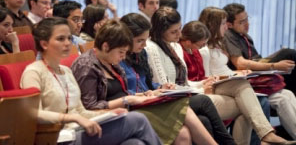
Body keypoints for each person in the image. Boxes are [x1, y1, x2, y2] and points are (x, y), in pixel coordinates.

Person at [145, 6, 296, 145]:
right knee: (248, 106)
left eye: (179, 28)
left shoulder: (176, 46)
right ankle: (265, 134)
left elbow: (186, 82)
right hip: (180, 99)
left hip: (191, 91)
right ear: (160, 31)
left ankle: (266, 133)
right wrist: (202, 86)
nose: (180, 34)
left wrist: (203, 83)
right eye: (174, 31)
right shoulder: (152, 48)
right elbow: (166, 86)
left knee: (243, 89)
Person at [71, 19, 218, 145]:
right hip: (110, 115)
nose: (123, 57)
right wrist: (127, 99)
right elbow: (89, 107)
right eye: (121, 52)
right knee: (182, 107)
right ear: (105, 47)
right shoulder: (86, 66)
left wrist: (144, 94)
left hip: (126, 109)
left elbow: (122, 91)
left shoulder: (110, 61)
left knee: (184, 131)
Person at [20, 17, 162, 145]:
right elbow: (33, 114)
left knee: (135, 143)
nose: (68, 43)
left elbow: (82, 110)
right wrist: (72, 118)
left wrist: (107, 114)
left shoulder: (66, 71)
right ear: (44, 44)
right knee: (138, 119)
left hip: (77, 130)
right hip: (57, 137)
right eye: (61, 39)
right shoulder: (34, 72)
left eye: (69, 38)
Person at [120, 13, 236, 145]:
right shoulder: (128, 55)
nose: (179, 35)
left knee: (203, 120)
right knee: (202, 102)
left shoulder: (144, 53)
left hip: (152, 99)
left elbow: (148, 82)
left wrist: (159, 87)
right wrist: (149, 92)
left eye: (180, 29)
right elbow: (123, 93)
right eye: (140, 40)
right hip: (143, 104)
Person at [198, 7, 296, 144]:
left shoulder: (220, 44)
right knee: (290, 54)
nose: (226, 28)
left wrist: (238, 73)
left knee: (284, 95)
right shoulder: (206, 48)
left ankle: (270, 135)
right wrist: (273, 66)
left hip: (231, 81)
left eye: (247, 19)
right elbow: (206, 77)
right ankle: (266, 134)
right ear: (215, 25)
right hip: (219, 85)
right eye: (223, 24)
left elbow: (225, 69)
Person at [223, 3, 296, 98]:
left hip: (256, 70)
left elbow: (257, 60)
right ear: (229, 25)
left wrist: (276, 55)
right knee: (290, 54)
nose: (247, 24)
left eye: (247, 19)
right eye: (242, 22)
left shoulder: (244, 36)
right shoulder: (229, 35)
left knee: (292, 68)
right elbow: (240, 64)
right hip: (248, 76)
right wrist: (275, 65)